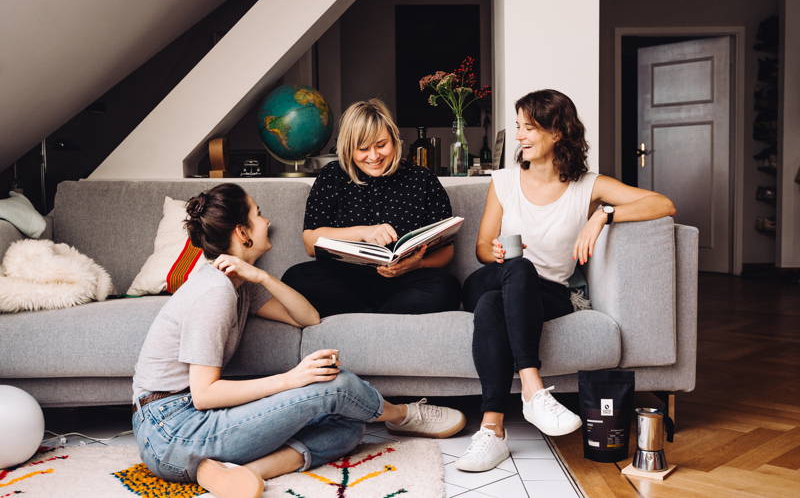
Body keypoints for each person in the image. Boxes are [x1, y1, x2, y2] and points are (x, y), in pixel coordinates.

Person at [131, 183, 466, 498]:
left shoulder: (239, 281)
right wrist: (293, 379)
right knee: (335, 384)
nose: (268, 221)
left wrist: (261, 276)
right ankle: (401, 415)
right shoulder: (214, 292)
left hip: (181, 431)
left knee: (348, 427)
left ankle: (240, 472)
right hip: (172, 428)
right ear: (242, 232)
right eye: (258, 214)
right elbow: (205, 395)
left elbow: (307, 317)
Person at [455, 89, 676, 472]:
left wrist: (603, 215)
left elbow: (663, 203)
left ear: (558, 132)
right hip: (491, 278)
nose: (520, 136)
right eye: (519, 127)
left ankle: (492, 431)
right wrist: (500, 254)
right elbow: (480, 249)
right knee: (516, 270)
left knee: (497, 305)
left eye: (530, 128)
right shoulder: (504, 181)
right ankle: (533, 389)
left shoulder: (588, 186)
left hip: (547, 292)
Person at [282, 98, 460, 317]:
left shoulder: (422, 179)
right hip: (345, 282)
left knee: (446, 286)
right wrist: (364, 232)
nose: (374, 156)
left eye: (381, 145)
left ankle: (367, 318)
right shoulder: (331, 176)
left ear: (394, 140)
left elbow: (447, 251)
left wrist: (415, 265)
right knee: (296, 277)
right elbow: (311, 243)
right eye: (363, 149)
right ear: (348, 148)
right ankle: (384, 317)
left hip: (405, 280)